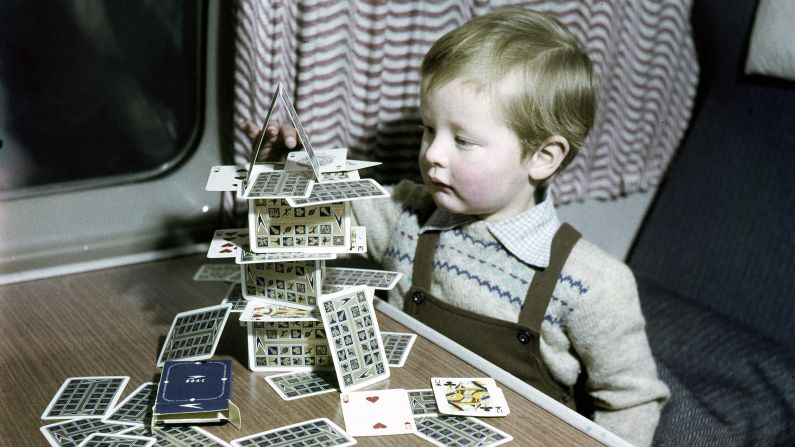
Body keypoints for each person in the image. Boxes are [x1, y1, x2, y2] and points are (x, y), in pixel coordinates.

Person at [242, 8, 669, 446]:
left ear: (543, 157)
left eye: (462, 140)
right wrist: (284, 172)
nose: (433, 154)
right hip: (400, 428)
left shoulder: (595, 283)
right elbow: (310, 218)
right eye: (430, 130)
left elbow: (632, 401)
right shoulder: (406, 213)